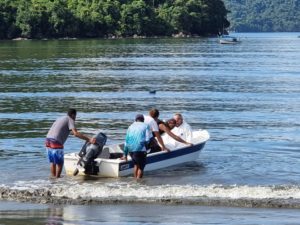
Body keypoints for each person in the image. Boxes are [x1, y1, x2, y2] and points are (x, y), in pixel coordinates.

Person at [45, 108, 96, 178]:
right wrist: (89, 139)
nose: (75, 118)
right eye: (75, 116)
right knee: (60, 163)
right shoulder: (70, 119)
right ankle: (57, 179)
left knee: (53, 162)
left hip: (48, 140)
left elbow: (68, 131)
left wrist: (84, 136)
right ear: (73, 115)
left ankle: (53, 179)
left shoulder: (61, 118)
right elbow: (75, 133)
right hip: (56, 141)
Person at [122, 114, 151, 179]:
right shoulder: (146, 126)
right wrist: (147, 149)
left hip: (130, 149)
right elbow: (147, 139)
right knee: (141, 167)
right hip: (140, 149)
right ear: (143, 120)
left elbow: (126, 141)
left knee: (136, 165)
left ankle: (135, 180)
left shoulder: (130, 126)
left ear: (135, 120)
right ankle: (138, 182)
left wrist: (125, 155)